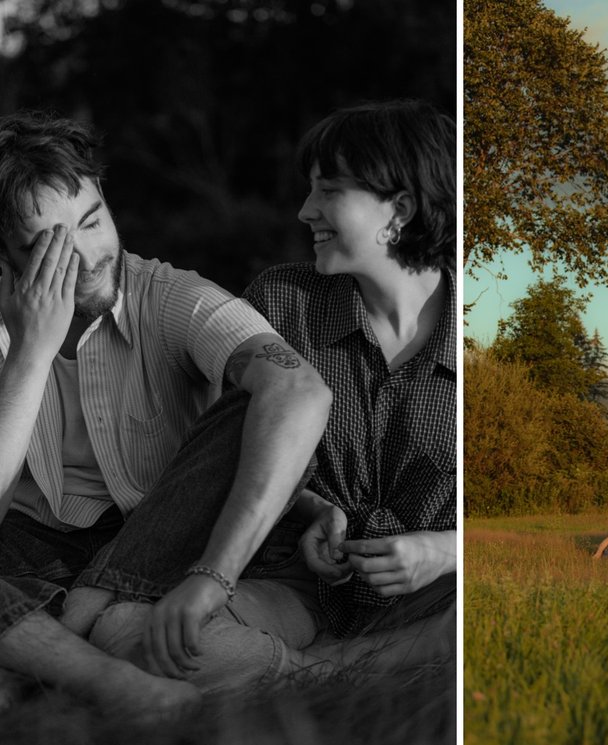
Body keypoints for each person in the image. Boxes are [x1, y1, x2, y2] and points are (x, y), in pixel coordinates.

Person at [0, 112, 331, 717]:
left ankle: (51, 636)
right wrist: (30, 352)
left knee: (264, 405)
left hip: (170, 535)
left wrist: (212, 577)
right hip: (30, 552)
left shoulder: (169, 294)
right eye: (49, 247)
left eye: (92, 221)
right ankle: (102, 675)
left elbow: (301, 391)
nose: (86, 256)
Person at [81, 99, 457, 695]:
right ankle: (337, 670)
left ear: (400, 210)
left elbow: (532, 520)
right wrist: (312, 507)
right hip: (299, 586)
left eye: (329, 190)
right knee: (128, 630)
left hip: (443, 590)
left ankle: (307, 669)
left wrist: (445, 550)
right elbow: (229, 451)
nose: (306, 210)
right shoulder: (282, 302)